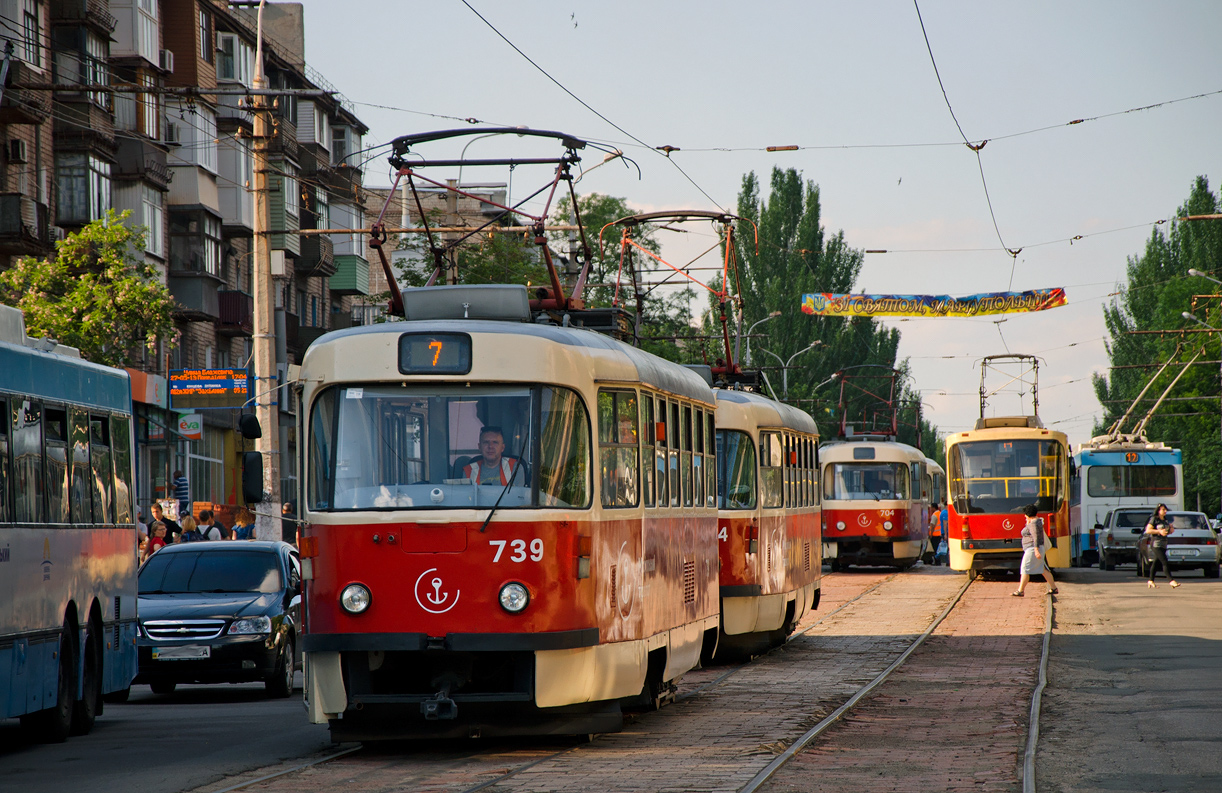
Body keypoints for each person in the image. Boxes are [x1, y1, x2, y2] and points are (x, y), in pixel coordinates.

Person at [1012, 503, 1058, 597]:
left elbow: (1035, 537)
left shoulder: (1033, 524)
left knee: (1025, 569)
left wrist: (1036, 550)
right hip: (1035, 549)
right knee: (1043, 569)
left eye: (1025, 514)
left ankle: (1020, 591)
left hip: (1032, 549)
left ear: (1028, 514)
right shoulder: (1036, 522)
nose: (1024, 516)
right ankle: (1053, 588)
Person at [1144, 503, 1179, 589]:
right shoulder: (1154, 519)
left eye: (1166, 510)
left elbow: (1168, 531)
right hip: (1156, 544)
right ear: (1158, 511)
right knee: (1164, 561)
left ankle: (1151, 580)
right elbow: (1148, 530)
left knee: (1156, 563)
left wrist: (1171, 529)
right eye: (1163, 510)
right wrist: (1159, 531)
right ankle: (1171, 581)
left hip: (1163, 544)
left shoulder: (1165, 520)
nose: (1165, 511)